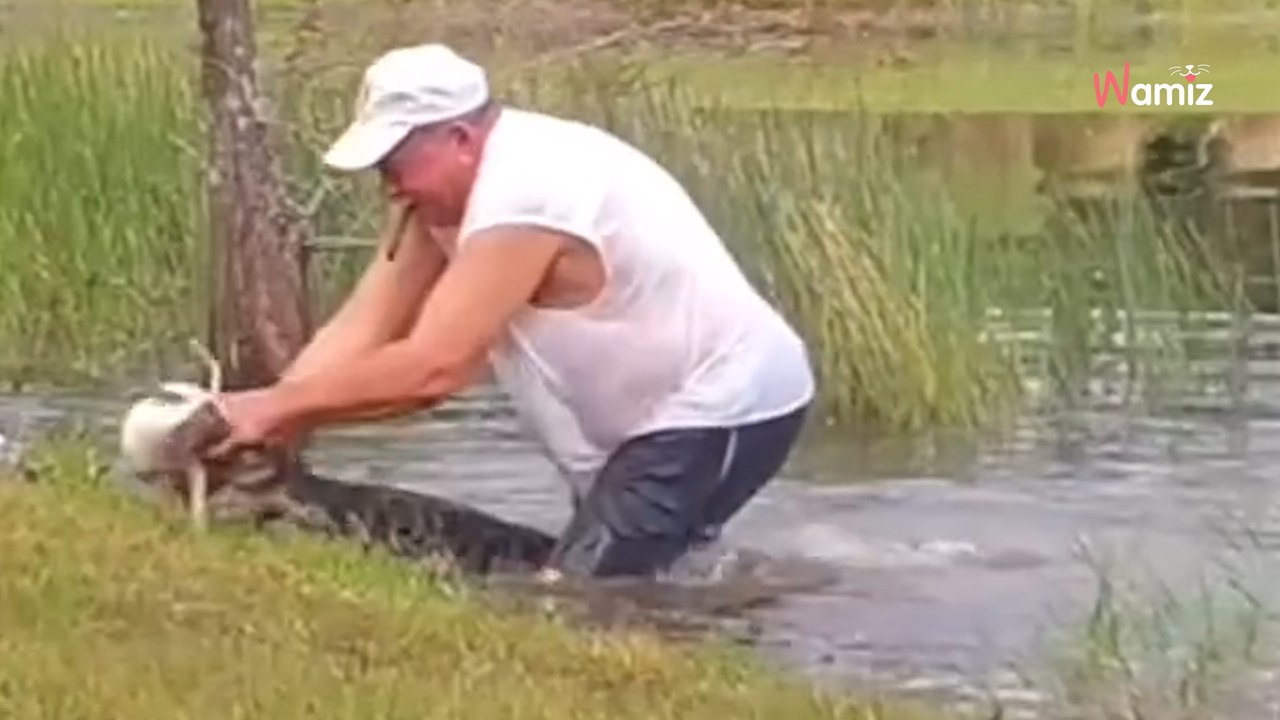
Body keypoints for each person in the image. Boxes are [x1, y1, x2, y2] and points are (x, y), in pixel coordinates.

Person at [206, 42, 816, 579]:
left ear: (460, 139)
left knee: (577, 602)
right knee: (617, 574)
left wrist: (271, 409)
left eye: (394, 164)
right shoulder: (438, 203)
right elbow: (365, 324)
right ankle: (740, 596)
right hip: (633, 423)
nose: (388, 187)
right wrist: (266, 428)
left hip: (722, 401)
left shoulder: (528, 192)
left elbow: (433, 371)